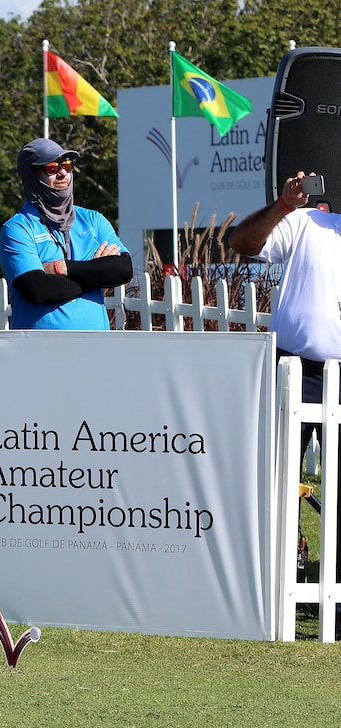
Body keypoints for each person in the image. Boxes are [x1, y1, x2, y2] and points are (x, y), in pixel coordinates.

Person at [230, 170, 341, 630]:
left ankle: (334, 597)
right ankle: (277, 586)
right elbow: (241, 243)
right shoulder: (306, 223)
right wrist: (283, 207)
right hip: (296, 369)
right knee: (277, 480)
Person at [0, 138, 133, 330]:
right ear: (31, 175)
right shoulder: (17, 229)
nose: (63, 173)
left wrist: (62, 268)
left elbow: (123, 269)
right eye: (52, 168)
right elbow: (38, 290)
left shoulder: (93, 219)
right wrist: (97, 274)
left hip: (96, 344)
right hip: (39, 345)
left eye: (67, 165)